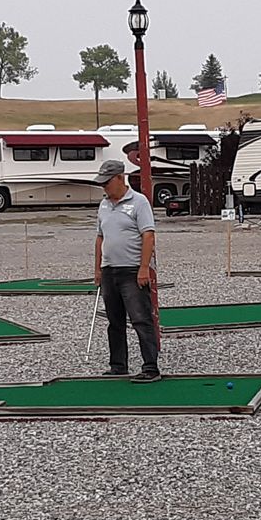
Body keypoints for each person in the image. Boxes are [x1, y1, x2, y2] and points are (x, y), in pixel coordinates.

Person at [92, 158, 160, 381]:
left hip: (132, 270)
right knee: (115, 320)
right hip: (110, 269)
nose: (104, 187)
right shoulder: (104, 205)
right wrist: (98, 269)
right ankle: (118, 365)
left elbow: (148, 235)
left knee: (140, 318)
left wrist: (143, 268)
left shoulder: (139, 202)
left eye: (107, 182)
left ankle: (150, 367)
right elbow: (100, 237)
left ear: (120, 178)